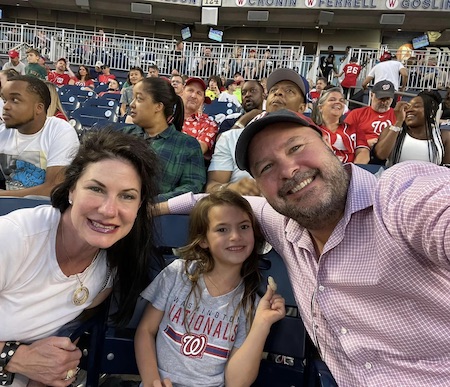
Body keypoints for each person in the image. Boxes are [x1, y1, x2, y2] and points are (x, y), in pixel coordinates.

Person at [163, 108, 450, 387]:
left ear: (328, 144)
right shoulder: (279, 218)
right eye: (267, 167)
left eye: (296, 147)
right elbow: (205, 202)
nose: (288, 170)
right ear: (260, 187)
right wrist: (148, 209)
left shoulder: (397, 195)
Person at [0, 129, 160, 386]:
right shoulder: (15, 238)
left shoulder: (110, 266)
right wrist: (15, 356)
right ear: (71, 190)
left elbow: (65, 329)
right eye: (96, 189)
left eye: (127, 196)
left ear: (139, 205)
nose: (108, 210)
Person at [136, 189, 285, 387]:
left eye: (243, 227)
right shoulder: (179, 273)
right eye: (222, 229)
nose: (235, 236)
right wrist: (151, 381)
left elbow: (236, 382)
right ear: (204, 240)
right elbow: (146, 330)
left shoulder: (250, 303)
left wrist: (262, 324)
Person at [121, 77, 206, 202]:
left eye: (139, 99)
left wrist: (146, 205)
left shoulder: (187, 145)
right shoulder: (125, 135)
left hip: (155, 218)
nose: (132, 104)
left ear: (158, 106)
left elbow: (192, 188)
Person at [0, 75, 79, 196]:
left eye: (15, 100)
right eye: (5, 100)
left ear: (39, 108)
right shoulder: (2, 132)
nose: (5, 106)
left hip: (46, 210)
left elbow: (54, 188)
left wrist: (3, 195)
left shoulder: (60, 130)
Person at [372, 90, 450, 166]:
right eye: (407, 107)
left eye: (416, 106)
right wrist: (398, 122)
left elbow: (446, 171)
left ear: (431, 112)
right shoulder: (392, 130)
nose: (409, 110)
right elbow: (381, 155)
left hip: (430, 178)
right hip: (397, 177)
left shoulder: (443, 136)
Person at [312, 87, 369, 164]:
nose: (338, 102)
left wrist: (354, 171)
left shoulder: (354, 129)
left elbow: (363, 152)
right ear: (320, 108)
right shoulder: (312, 129)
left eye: (341, 101)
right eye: (332, 99)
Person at [344, 80, 396, 148]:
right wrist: (364, 143)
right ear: (371, 95)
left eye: (387, 99)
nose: (384, 102)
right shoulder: (356, 114)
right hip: (361, 150)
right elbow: (344, 137)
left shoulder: (398, 116)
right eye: (381, 98)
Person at [182, 77, 218, 162]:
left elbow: (198, 149)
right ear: (182, 92)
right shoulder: (167, 116)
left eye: (199, 93)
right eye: (190, 90)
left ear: (202, 100)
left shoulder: (209, 124)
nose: (193, 95)